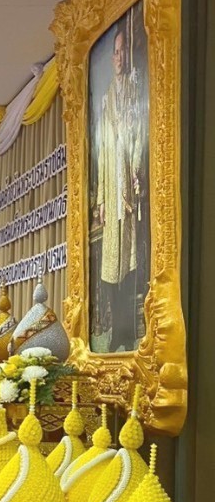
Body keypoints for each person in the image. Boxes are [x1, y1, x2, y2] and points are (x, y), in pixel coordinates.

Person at [94, 26, 147, 352]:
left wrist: (136, 172)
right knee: (110, 265)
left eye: (122, 50)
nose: (118, 57)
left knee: (128, 262)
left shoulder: (134, 90)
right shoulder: (107, 98)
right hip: (111, 193)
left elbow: (138, 135)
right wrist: (101, 198)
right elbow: (102, 151)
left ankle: (127, 332)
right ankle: (116, 333)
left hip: (127, 188)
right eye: (114, 52)